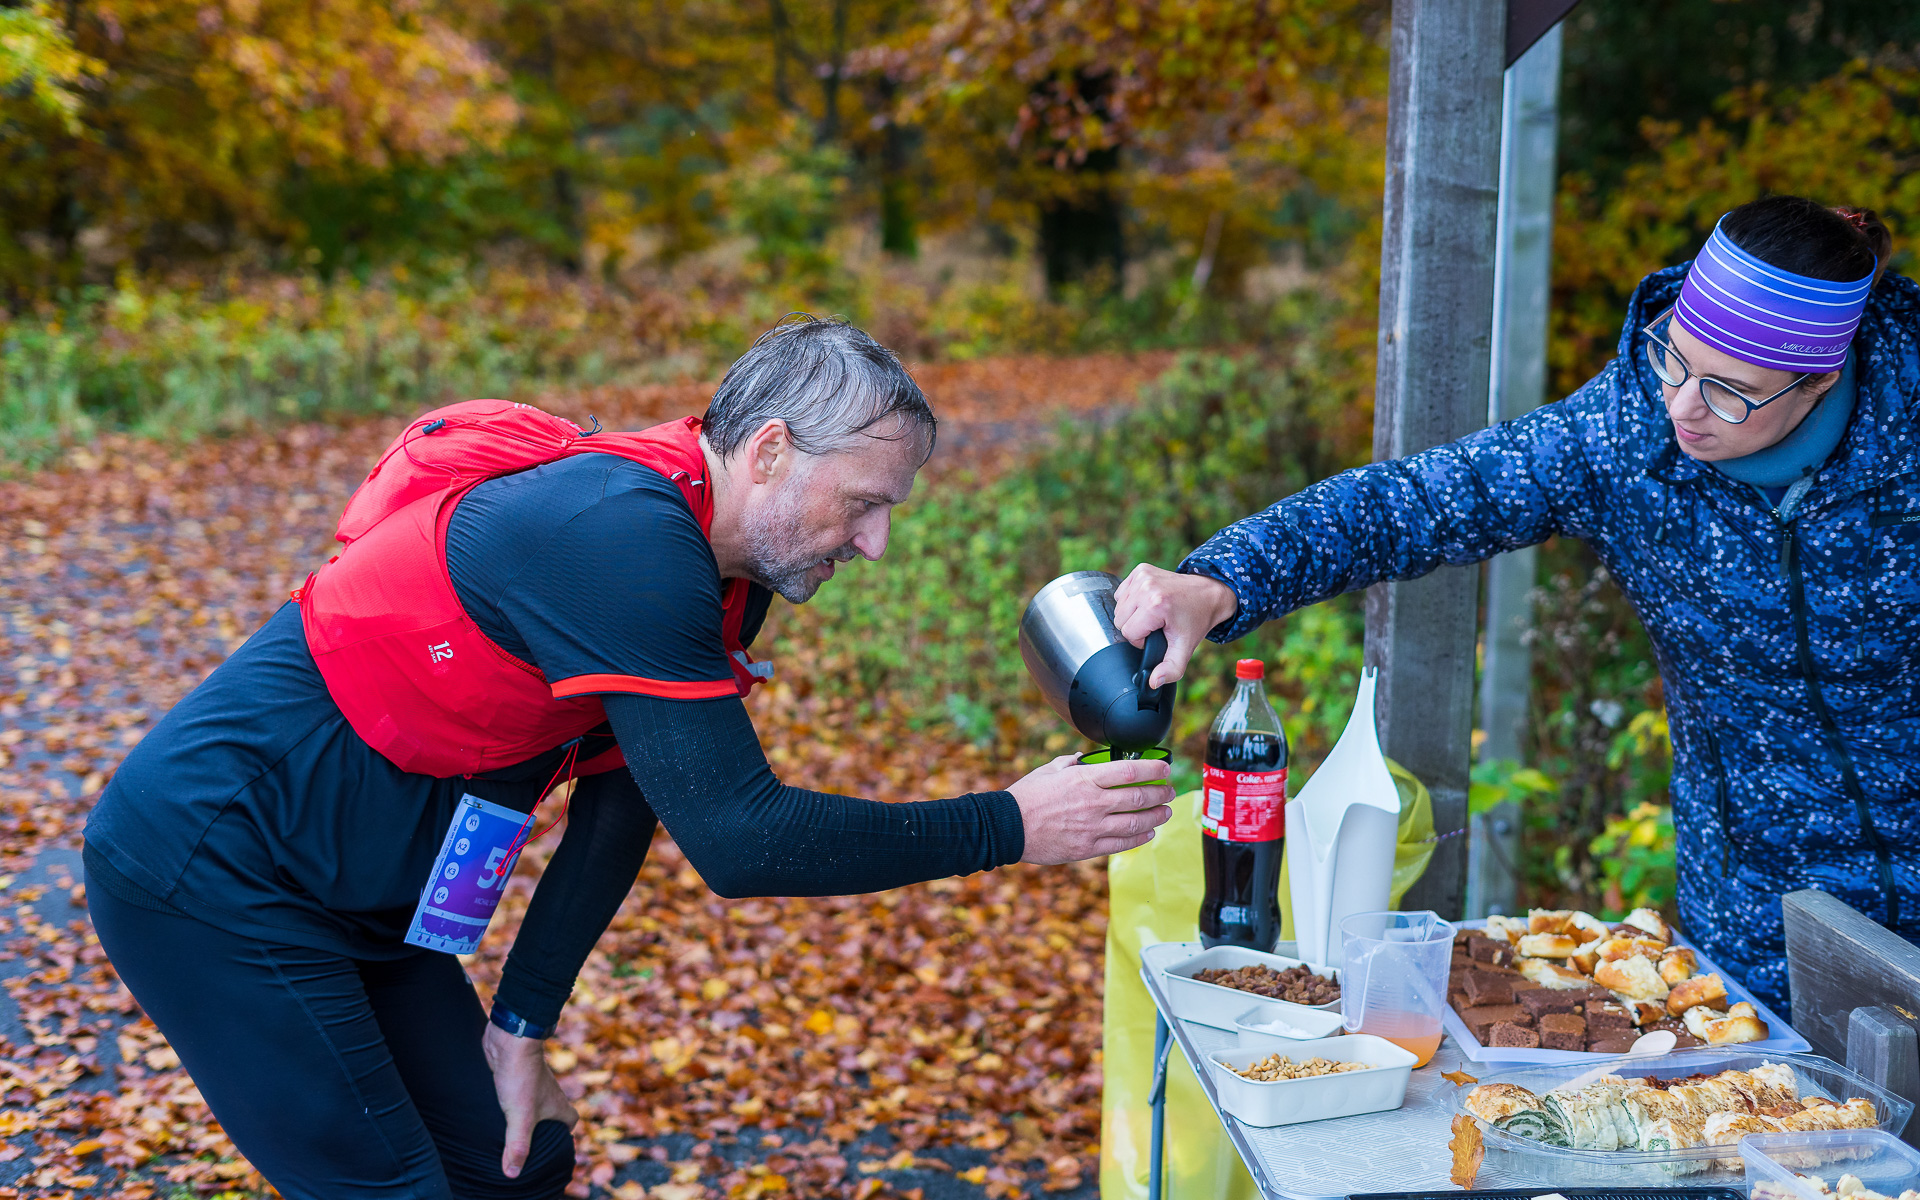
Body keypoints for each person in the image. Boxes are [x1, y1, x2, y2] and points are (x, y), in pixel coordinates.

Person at [83, 316, 1174, 1199]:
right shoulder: (624, 538)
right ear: (771, 452)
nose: (876, 544)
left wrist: (521, 1022)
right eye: (868, 504)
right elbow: (740, 838)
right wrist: (1010, 825)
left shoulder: (726, 574)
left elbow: (621, 804)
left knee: (517, 1164)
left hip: (371, 905)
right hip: (215, 873)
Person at [1113, 195, 1915, 1014]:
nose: (1681, 407)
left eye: (1730, 392)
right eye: (1672, 360)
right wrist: (1222, 580)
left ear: (1819, 379)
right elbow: (1413, 501)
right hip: (1754, 923)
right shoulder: (1623, 435)